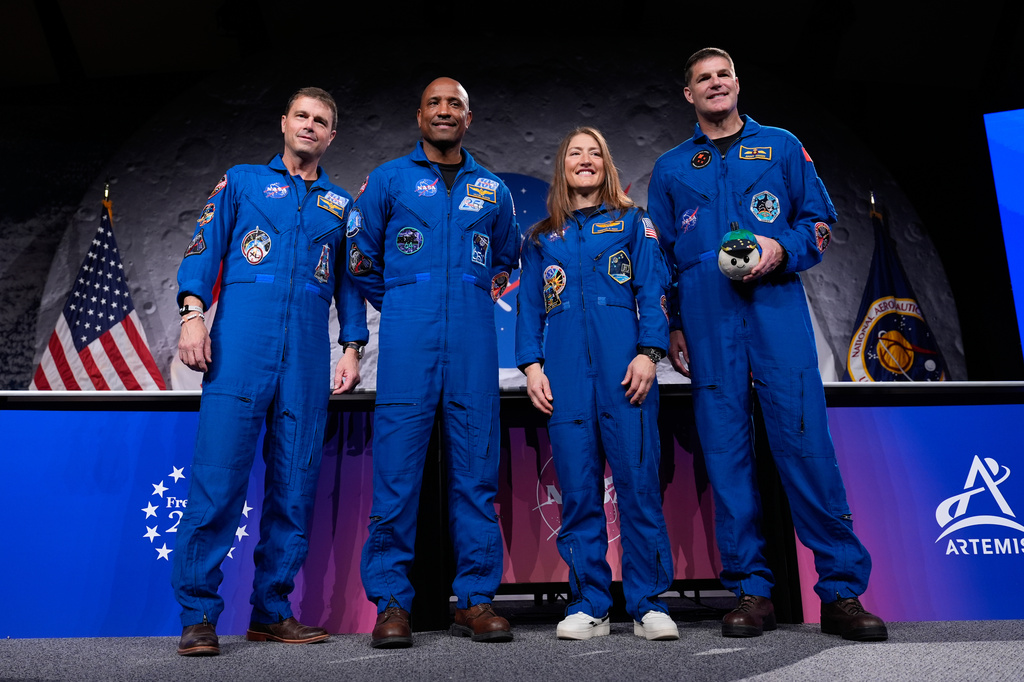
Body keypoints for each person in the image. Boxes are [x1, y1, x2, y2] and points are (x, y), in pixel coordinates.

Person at [647, 48, 888, 642]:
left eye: (723, 74)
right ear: (689, 95)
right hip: (707, 322)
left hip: (776, 312)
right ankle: (751, 592)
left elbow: (820, 223)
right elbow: (660, 262)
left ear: (737, 83)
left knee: (806, 449)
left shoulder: (781, 146)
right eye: (702, 78)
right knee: (727, 457)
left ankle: (841, 593)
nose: (715, 84)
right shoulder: (672, 168)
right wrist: (673, 323)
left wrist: (780, 250)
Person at [172, 87, 368, 656]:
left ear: (332, 136)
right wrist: (192, 315)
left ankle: (272, 610)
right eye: (302, 116)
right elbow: (202, 249)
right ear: (284, 123)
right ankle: (198, 615)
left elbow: (350, 285)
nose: (310, 126)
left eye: (322, 121)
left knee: (295, 487)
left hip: (307, 356)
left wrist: (352, 347)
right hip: (240, 349)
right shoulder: (241, 182)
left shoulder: (340, 206)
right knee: (217, 481)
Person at [347, 77, 520, 648]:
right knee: (396, 477)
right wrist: (402, 298)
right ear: (420, 115)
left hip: (473, 341)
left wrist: (466, 296)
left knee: (476, 474)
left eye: (457, 105)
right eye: (436, 103)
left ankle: (475, 600)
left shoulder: (493, 190)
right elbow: (360, 257)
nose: (446, 112)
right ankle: (393, 603)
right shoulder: (390, 180)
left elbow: (506, 258)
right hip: (408, 339)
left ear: (469, 119)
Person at [516, 127, 678, 641]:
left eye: (594, 154)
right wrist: (533, 367)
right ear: (562, 168)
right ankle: (590, 603)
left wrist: (650, 353)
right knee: (580, 493)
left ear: (606, 165)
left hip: (624, 369)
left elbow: (653, 288)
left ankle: (648, 604)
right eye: (574, 154)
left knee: (638, 487)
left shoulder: (634, 222)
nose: (584, 161)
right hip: (564, 373)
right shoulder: (542, 237)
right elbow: (527, 309)